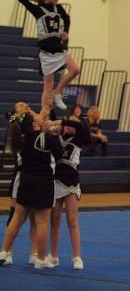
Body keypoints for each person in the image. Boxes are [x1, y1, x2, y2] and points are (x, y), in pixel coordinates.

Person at [0, 102, 64, 269]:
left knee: (25, 218)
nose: (26, 105)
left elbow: (40, 115)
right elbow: (11, 117)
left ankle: (32, 254)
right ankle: (11, 253)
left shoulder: (25, 128)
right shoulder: (17, 121)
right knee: (28, 217)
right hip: (31, 177)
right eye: (21, 105)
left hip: (27, 177)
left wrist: (44, 112)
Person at [18, 0, 80, 110]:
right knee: (48, 85)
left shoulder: (58, 8)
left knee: (75, 70)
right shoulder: (37, 9)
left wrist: (66, 32)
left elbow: (67, 18)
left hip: (58, 46)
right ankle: (44, 118)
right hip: (46, 49)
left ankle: (57, 92)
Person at [49, 114, 90, 270]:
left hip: (71, 182)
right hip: (56, 180)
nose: (70, 125)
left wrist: (61, 121)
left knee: (72, 221)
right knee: (55, 222)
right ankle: (53, 256)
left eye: (73, 122)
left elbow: (78, 126)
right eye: (69, 122)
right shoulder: (58, 137)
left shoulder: (78, 138)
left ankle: (77, 257)